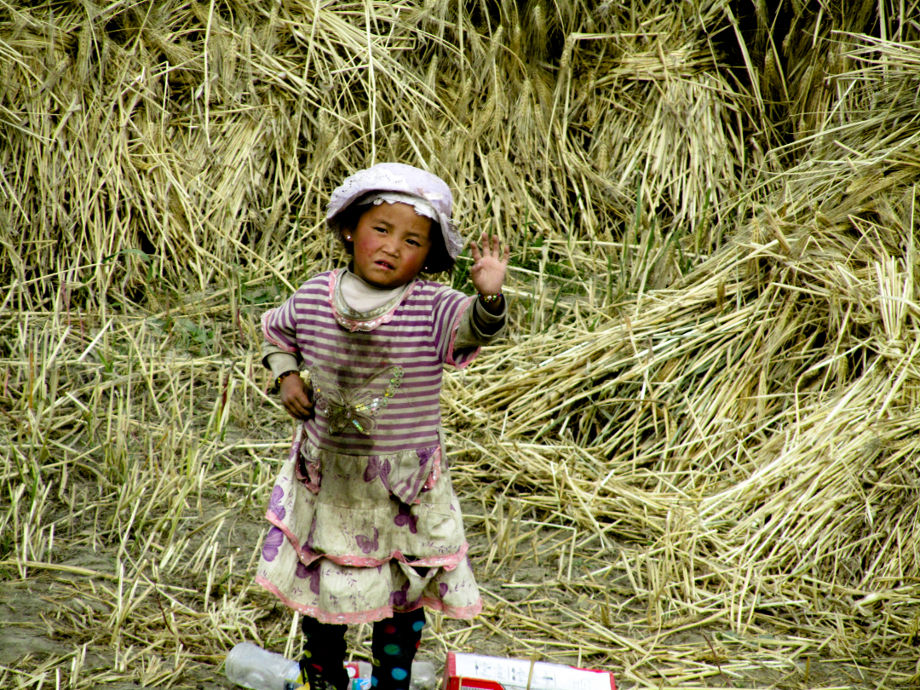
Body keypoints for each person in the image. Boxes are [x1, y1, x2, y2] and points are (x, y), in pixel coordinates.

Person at [255, 162, 510, 690]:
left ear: (430, 256)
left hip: (402, 490)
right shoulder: (314, 296)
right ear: (350, 229)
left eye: (412, 240)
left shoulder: (432, 307)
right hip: (329, 478)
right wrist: (286, 378)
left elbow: (473, 328)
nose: (393, 247)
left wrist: (488, 297)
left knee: (402, 589)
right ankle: (323, 676)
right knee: (324, 588)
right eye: (380, 230)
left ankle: (392, 680)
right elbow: (276, 334)